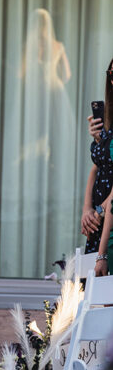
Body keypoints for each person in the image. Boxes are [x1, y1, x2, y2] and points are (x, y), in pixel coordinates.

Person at [82, 58, 113, 265]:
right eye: (112, 74)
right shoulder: (110, 117)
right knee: (94, 290)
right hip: (100, 217)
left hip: (109, 216)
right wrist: (87, 209)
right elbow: (97, 168)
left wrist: (100, 211)